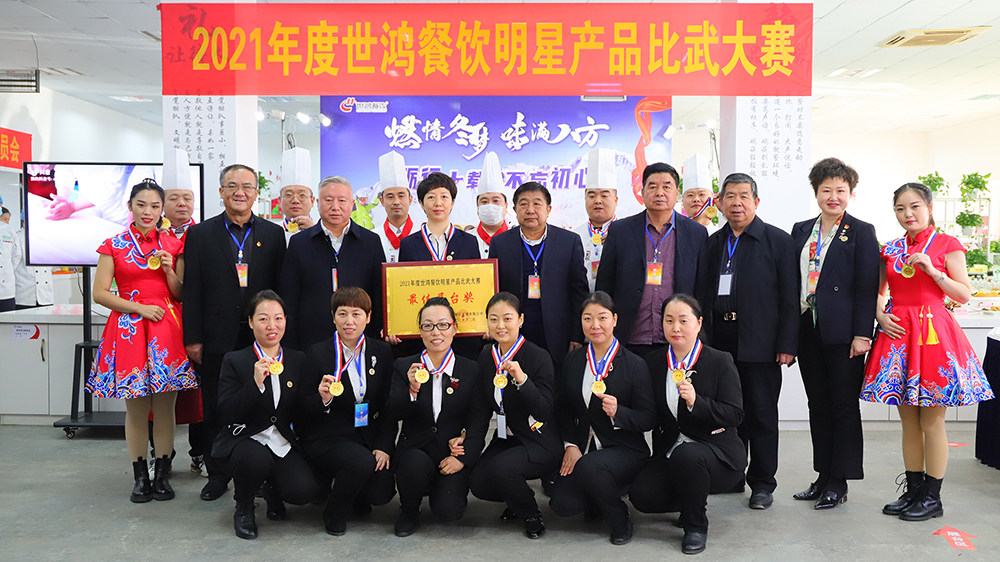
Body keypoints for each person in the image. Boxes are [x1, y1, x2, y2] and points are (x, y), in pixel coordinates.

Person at [861, 182, 994, 521]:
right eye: (900, 209)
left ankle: (933, 498)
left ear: (929, 208)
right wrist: (880, 315)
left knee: (932, 420)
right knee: (908, 420)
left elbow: (963, 294)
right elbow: (878, 291)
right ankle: (914, 490)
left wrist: (934, 272)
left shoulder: (948, 244)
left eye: (915, 206)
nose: (908, 214)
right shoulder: (889, 249)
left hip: (933, 335)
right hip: (899, 334)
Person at [86, 179, 196, 502]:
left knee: (165, 408)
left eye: (155, 206)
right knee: (135, 409)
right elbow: (99, 293)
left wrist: (170, 272)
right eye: (141, 205)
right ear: (130, 206)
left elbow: (180, 293)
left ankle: (162, 474)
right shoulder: (114, 245)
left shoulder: (174, 245)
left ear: (162, 210)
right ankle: (139, 476)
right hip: (129, 330)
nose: (148, 211)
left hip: (166, 330)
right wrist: (138, 308)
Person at [694, 172, 798, 511]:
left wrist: (787, 344)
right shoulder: (713, 243)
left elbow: (789, 298)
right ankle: (732, 474)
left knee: (761, 414)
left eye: (743, 196)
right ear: (720, 202)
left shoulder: (778, 241)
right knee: (726, 414)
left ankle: (763, 483)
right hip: (720, 342)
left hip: (761, 342)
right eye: (730, 196)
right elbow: (703, 293)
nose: (736, 203)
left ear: (756, 201)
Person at [183, 163, 286, 501]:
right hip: (217, 336)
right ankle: (217, 475)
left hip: (263, 336)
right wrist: (193, 337)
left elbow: (279, 288)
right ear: (221, 192)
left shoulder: (273, 234)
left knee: (264, 404)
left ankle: (263, 474)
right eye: (232, 186)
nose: (240, 192)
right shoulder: (200, 234)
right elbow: (192, 289)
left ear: (256, 193)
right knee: (216, 406)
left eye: (247, 187)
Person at [790, 158, 879, 509]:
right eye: (826, 190)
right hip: (807, 328)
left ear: (850, 194)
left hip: (844, 334)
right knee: (817, 404)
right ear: (816, 193)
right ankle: (822, 475)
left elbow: (866, 287)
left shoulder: (861, 231)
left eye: (840, 190)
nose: (833, 196)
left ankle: (839, 480)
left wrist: (862, 334)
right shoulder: (801, 230)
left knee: (842, 405)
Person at [629, 294, 745, 555]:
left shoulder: (719, 360)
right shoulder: (654, 362)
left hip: (717, 453)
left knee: (688, 455)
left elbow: (735, 414)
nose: (676, 328)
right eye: (669, 320)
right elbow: (649, 414)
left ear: (699, 323)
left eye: (683, 320)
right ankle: (689, 499)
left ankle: (696, 526)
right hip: (671, 450)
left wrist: (696, 402)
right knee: (642, 495)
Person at [549, 291, 656, 546]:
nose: (595, 325)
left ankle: (619, 518)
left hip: (624, 448)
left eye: (602, 318)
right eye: (587, 318)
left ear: (615, 320)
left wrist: (620, 412)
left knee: (591, 467)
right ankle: (600, 496)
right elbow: (562, 409)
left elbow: (648, 418)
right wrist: (571, 445)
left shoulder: (634, 364)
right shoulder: (574, 359)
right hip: (584, 448)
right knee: (562, 504)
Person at [214, 290, 321, 539]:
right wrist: (254, 384)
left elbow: (303, 409)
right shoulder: (235, 360)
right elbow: (226, 412)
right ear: (251, 322)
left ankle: (272, 488)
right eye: (263, 319)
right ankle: (244, 507)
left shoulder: (298, 360)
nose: (272, 326)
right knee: (255, 459)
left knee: (303, 492)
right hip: (245, 438)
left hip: (281, 439)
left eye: (278, 318)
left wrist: (323, 399)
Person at [457, 292, 562, 539]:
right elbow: (481, 410)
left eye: (507, 318)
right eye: (493, 319)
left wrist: (522, 380)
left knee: (501, 469)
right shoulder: (486, 356)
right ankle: (517, 498)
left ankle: (531, 514)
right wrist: (467, 444)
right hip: (507, 437)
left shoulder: (538, 356)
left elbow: (544, 411)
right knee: (479, 482)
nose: (500, 325)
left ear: (521, 320)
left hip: (539, 439)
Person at [296, 287, 397, 536]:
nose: (349, 321)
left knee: (381, 492)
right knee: (360, 462)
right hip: (328, 436)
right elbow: (301, 407)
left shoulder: (382, 352)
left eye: (356, 314)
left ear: (369, 317)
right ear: (333, 317)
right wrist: (323, 399)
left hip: (367, 436)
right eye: (342, 314)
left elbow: (388, 405)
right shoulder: (318, 353)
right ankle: (334, 512)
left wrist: (384, 445)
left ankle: (354, 492)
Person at [385, 297, 484, 537]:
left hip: (451, 452)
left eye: (442, 325)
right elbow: (393, 412)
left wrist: (463, 458)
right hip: (415, 449)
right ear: (420, 331)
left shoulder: (470, 369)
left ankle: (439, 489)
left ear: (454, 328)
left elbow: (479, 419)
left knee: (449, 511)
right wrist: (412, 389)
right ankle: (409, 508)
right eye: (427, 326)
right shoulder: (405, 366)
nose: (435, 332)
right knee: (413, 464)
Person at [596, 162, 707, 358]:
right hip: (629, 338)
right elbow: (605, 285)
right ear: (642, 192)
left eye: (666, 187)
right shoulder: (620, 231)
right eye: (653, 186)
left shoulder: (696, 233)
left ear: (677, 193)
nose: (659, 193)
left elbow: (702, 288)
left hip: (678, 340)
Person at [490, 182, 589, 371]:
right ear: (514, 210)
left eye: (537, 203)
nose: (530, 210)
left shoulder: (568, 241)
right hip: (514, 334)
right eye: (524, 204)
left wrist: (577, 335)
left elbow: (579, 293)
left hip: (558, 335)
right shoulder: (500, 243)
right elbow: (494, 291)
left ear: (548, 209)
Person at [279, 175, 385, 351]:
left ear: (352, 204)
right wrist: (290, 343)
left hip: (359, 339)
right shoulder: (299, 243)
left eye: (342, 200)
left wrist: (377, 336)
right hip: (311, 339)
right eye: (328, 200)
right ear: (317, 203)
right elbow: (289, 296)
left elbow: (378, 293)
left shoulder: (370, 242)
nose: (335, 207)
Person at [399, 172, 480, 262]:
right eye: (431, 197)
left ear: (452, 203)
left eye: (444, 197)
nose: (438, 203)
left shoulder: (469, 242)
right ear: (421, 203)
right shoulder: (408, 244)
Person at [572, 148, 618, 291]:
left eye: (604, 196)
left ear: (615, 200)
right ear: (585, 200)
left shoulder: (627, 234)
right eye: (592, 196)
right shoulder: (573, 237)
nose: (598, 201)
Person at [375, 151, 415, 264]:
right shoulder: (373, 237)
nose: (396, 202)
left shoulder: (423, 234)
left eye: (401, 196)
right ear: (382, 201)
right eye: (390, 197)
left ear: (410, 199)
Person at [474, 152, 510, 259]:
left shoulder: (518, 238)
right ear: (477, 208)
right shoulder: (466, 240)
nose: (490, 206)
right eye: (484, 202)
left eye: (495, 201)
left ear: (506, 206)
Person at [279, 147, 317, 244]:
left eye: (302, 195)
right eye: (288, 195)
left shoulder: (322, 229)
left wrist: (315, 232)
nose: (295, 200)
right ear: (280, 200)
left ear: (312, 201)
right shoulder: (270, 231)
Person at [160, 149, 198, 244]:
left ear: (193, 201)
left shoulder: (204, 233)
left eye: (187, 198)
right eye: (174, 199)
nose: (182, 203)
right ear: (162, 203)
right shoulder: (152, 232)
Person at [13, 226, 54, 309]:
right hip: (24, 296)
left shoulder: (47, 238)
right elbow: (12, 265)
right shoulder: (17, 237)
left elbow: (51, 263)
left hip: (46, 295)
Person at [680, 154, 718, 229]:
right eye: (690, 195)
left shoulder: (721, 234)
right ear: (683, 201)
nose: (696, 199)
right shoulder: (676, 234)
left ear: (712, 198)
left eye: (702, 194)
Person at [0, 207, 20, 312]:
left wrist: (8, 269)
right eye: (4, 219)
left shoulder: (10, 231)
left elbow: (17, 255)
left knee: (8, 318)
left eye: (8, 220)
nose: (6, 222)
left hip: (6, 287)